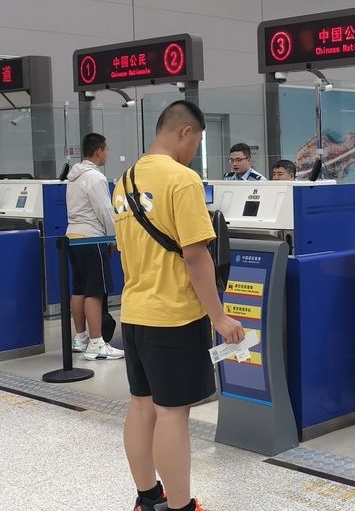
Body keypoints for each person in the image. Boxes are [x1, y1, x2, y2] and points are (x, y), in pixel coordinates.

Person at [113, 101, 245, 511]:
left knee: (142, 405)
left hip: (134, 312)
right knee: (173, 413)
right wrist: (219, 316)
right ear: (185, 131)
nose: (194, 151)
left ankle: (148, 498)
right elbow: (195, 255)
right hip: (173, 315)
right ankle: (182, 507)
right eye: (198, 142)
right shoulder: (182, 179)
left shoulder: (124, 182)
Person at [67, 132, 124, 361]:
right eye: (106, 149)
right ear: (99, 151)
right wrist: (113, 238)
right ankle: (97, 343)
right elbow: (105, 211)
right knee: (95, 290)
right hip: (91, 238)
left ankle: (80, 337)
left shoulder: (74, 176)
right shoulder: (95, 177)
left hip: (73, 236)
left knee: (79, 288)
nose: (107, 154)